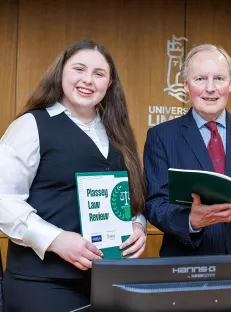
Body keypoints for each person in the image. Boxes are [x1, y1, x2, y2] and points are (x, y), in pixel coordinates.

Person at [0, 40, 147, 312]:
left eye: (99, 74)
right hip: (42, 283)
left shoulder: (118, 134)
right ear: (60, 73)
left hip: (107, 281)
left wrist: (137, 225)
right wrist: (55, 239)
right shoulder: (31, 125)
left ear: (110, 84)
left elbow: (131, 197)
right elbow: (3, 200)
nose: (88, 80)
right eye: (79, 69)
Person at [143, 44, 231, 257]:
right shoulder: (161, 136)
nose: (210, 88)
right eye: (200, 79)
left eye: (219, 79)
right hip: (188, 265)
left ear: (229, 84)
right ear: (185, 85)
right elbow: (155, 203)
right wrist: (190, 220)